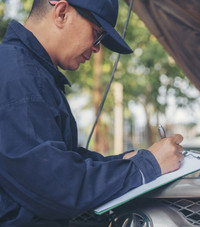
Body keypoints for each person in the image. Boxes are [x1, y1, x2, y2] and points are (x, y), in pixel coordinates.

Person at [0, 0, 184, 226]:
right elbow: (56, 187)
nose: (98, 48)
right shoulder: (17, 76)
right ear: (61, 13)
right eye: (97, 34)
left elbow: (53, 160)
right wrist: (146, 166)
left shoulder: (26, 71)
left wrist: (123, 161)